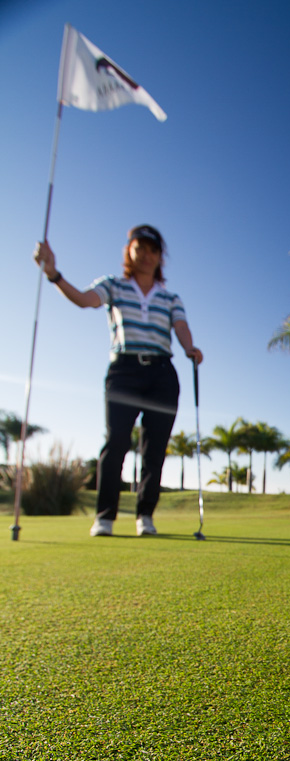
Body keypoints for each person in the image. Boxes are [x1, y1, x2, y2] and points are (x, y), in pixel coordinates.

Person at [34, 225, 203, 537]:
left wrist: (189, 348)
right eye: (141, 249)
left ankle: (145, 516)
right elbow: (85, 300)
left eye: (153, 250)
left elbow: (181, 326)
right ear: (130, 251)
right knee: (116, 443)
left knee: (155, 449)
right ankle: (105, 517)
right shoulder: (113, 285)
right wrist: (53, 274)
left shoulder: (170, 297)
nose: (147, 255)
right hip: (124, 370)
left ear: (160, 257)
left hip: (162, 373)